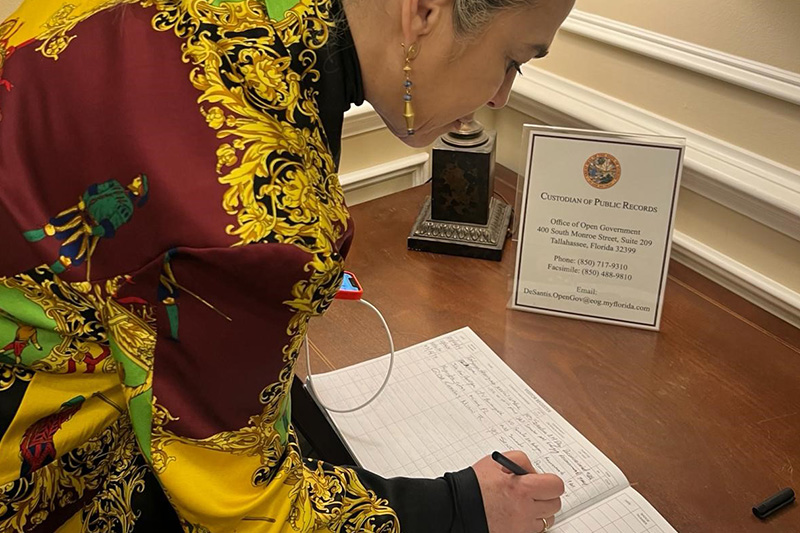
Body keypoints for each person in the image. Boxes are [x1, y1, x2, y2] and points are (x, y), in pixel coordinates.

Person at [0, 0, 574, 530]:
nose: (501, 96)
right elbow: (242, 510)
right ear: (423, 10)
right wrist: (462, 507)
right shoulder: (260, 211)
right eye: (512, 60)